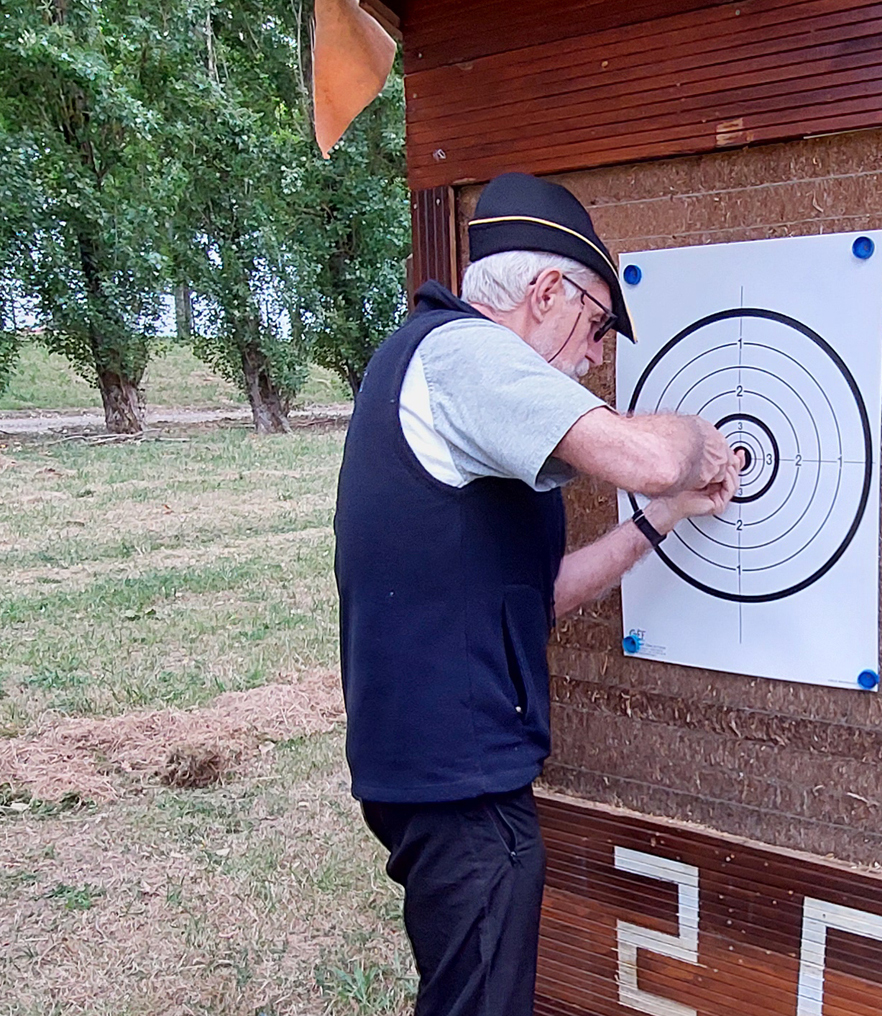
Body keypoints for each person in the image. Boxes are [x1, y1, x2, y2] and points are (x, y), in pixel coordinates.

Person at [333, 172, 741, 1016]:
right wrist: (698, 442)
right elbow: (646, 457)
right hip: (460, 787)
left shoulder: (452, 379)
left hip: (448, 775)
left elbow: (536, 596)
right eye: (596, 325)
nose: (595, 356)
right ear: (545, 292)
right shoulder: (465, 352)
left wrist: (663, 520)